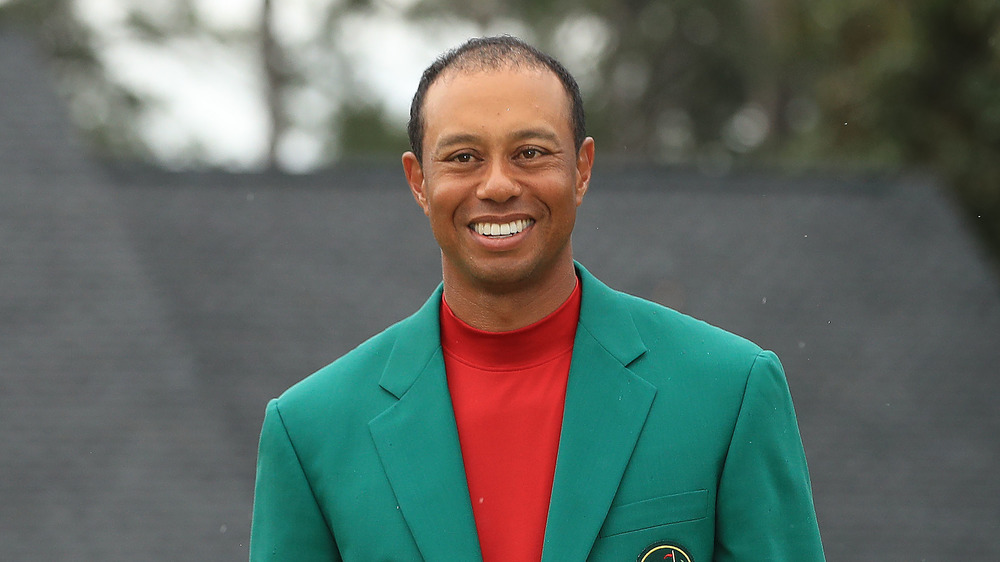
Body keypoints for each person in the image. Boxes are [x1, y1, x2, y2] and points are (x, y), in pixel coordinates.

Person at [250, 35, 825, 561]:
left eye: (529, 152)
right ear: (418, 182)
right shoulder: (312, 432)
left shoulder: (728, 392)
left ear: (582, 169)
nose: (498, 185)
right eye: (463, 157)